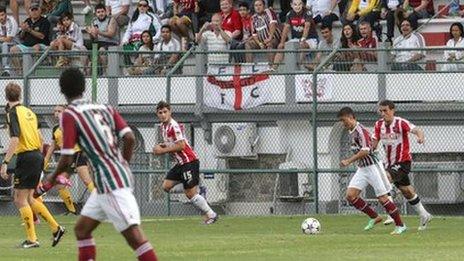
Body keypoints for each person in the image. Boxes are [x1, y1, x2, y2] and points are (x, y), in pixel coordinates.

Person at [47, 68, 158, 260]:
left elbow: (66, 158)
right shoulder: (105, 108)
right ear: (83, 87)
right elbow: (130, 137)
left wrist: (52, 177)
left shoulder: (70, 114)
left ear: (62, 90)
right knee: (81, 230)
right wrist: (123, 162)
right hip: (107, 181)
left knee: (135, 237)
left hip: (109, 182)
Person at [1, 82, 65, 248]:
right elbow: (40, 139)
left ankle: (32, 239)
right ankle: (56, 229)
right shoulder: (29, 112)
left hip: (26, 157)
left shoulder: (12, 112)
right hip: (37, 155)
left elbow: (15, 138)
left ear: (6, 97)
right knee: (30, 198)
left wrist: (5, 162)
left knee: (19, 199)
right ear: (20, 95)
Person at [338, 107, 406, 235]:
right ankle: (375, 217)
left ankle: (400, 225)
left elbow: (366, 150)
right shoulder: (351, 131)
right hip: (363, 169)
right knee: (350, 195)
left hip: (373, 167)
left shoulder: (361, 131)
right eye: (341, 121)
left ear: (351, 117)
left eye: (344, 120)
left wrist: (349, 161)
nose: (343, 123)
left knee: (383, 198)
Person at [153, 101, 218, 225]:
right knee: (166, 186)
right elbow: (172, 143)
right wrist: (163, 145)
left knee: (190, 194)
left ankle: (211, 214)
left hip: (189, 161)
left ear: (170, 112)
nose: (163, 115)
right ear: (157, 114)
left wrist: (163, 150)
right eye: (160, 113)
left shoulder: (174, 125)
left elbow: (181, 145)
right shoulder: (163, 127)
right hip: (180, 163)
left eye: (165, 112)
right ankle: (192, 187)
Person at [372, 100, 432, 231]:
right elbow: (374, 142)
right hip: (389, 163)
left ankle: (391, 213)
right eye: (380, 111)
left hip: (403, 162)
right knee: (407, 191)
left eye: (385, 111)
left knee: (385, 178)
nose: (383, 114)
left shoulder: (400, 122)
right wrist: (369, 149)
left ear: (393, 110)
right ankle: (424, 214)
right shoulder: (378, 125)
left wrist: (420, 137)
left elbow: (417, 130)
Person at [34, 105, 95, 215]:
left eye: (59, 111)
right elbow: (52, 147)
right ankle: (72, 211)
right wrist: (45, 161)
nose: (56, 113)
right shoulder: (55, 129)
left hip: (76, 154)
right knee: (60, 185)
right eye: (55, 111)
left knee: (86, 180)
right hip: (66, 158)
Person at [10, 3, 51, 75]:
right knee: (13, 49)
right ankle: (20, 72)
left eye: (36, 9)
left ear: (40, 10)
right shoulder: (27, 21)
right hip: (26, 44)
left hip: (41, 44)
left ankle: (32, 73)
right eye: (32, 10)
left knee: (35, 47)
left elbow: (42, 36)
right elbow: (21, 37)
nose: (34, 12)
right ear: (29, 11)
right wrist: (23, 30)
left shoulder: (45, 21)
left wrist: (29, 30)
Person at [278, 0, 318, 69]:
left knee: (302, 44)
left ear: (302, 4)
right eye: (295, 4)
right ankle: (273, 69)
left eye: (299, 4)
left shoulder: (307, 13)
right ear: (291, 5)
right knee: (281, 47)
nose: (297, 6)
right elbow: (286, 29)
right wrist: (282, 43)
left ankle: (299, 67)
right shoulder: (289, 14)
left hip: (311, 39)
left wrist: (303, 39)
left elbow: (307, 27)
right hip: (296, 39)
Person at [246, 0, 281, 65]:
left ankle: (271, 68)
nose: (258, 7)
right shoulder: (253, 18)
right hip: (261, 41)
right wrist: (259, 43)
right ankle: (249, 67)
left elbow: (272, 24)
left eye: (260, 5)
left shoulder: (269, 12)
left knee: (269, 44)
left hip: (274, 39)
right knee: (248, 44)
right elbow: (254, 34)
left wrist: (270, 38)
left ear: (264, 6)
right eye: (256, 6)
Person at [0, 6, 18, 76]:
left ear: (6, 14)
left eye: (2, 15)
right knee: (4, 44)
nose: (1, 17)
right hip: (3, 42)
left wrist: (3, 38)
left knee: (5, 44)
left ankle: (6, 69)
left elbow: (9, 39)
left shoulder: (11, 21)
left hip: (16, 42)